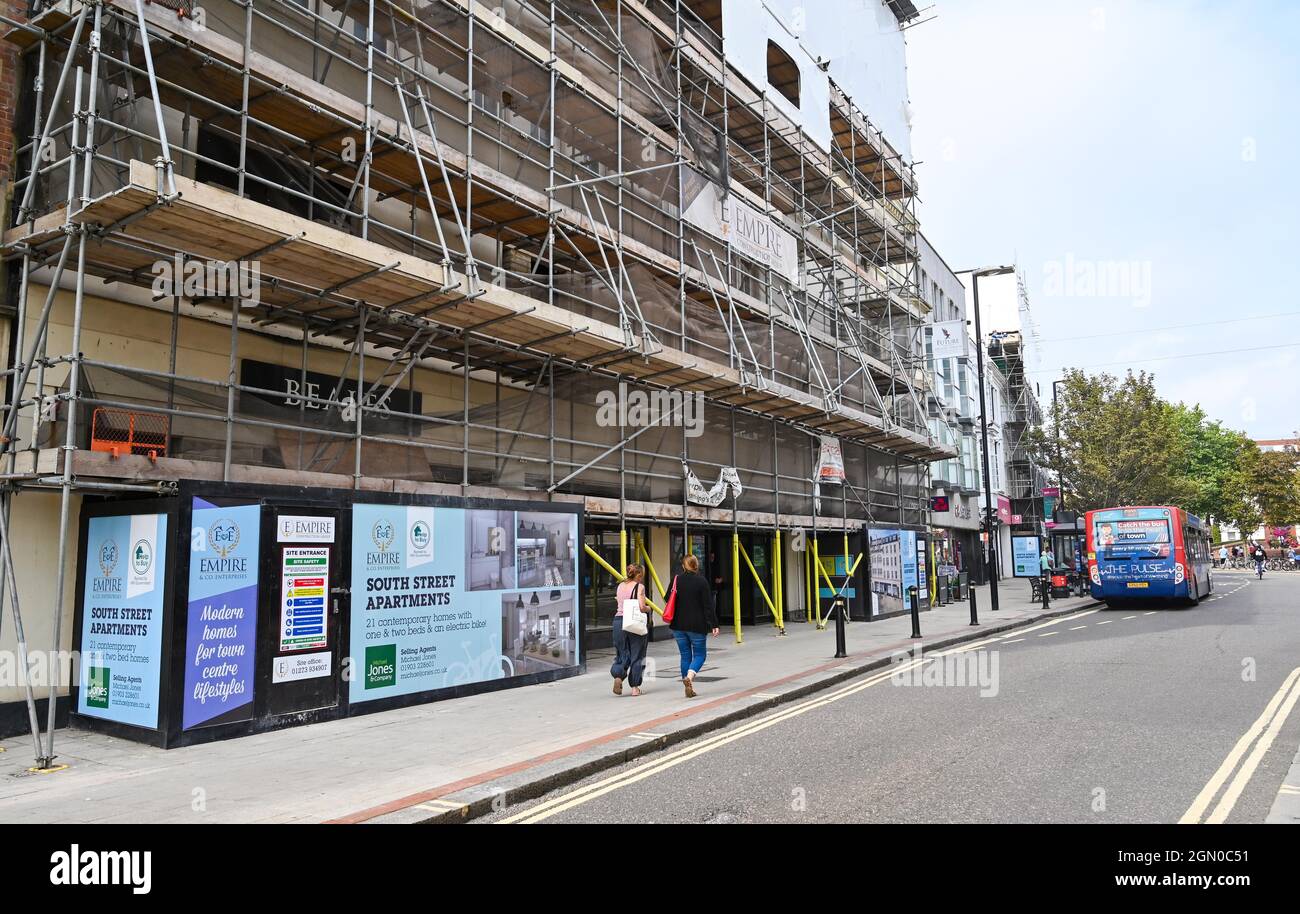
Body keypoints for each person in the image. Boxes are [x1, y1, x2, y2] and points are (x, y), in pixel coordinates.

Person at [669, 554, 718, 699]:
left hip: (678, 624)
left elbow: (668, 598)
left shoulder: (676, 580)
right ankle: (689, 679)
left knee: (685, 656)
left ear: (684, 566)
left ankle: (687, 683)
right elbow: (708, 605)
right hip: (697, 625)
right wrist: (714, 624)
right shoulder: (701, 581)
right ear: (696, 565)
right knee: (700, 655)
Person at [610, 564, 649, 697]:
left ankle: (618, 676)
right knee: (637, 655)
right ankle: (635, 688)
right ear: (639, 575)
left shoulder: (620, 586)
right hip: (633, 623)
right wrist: (650, 609)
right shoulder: (639, 587)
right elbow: (642, 607)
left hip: (618, 622)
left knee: (621, 653)